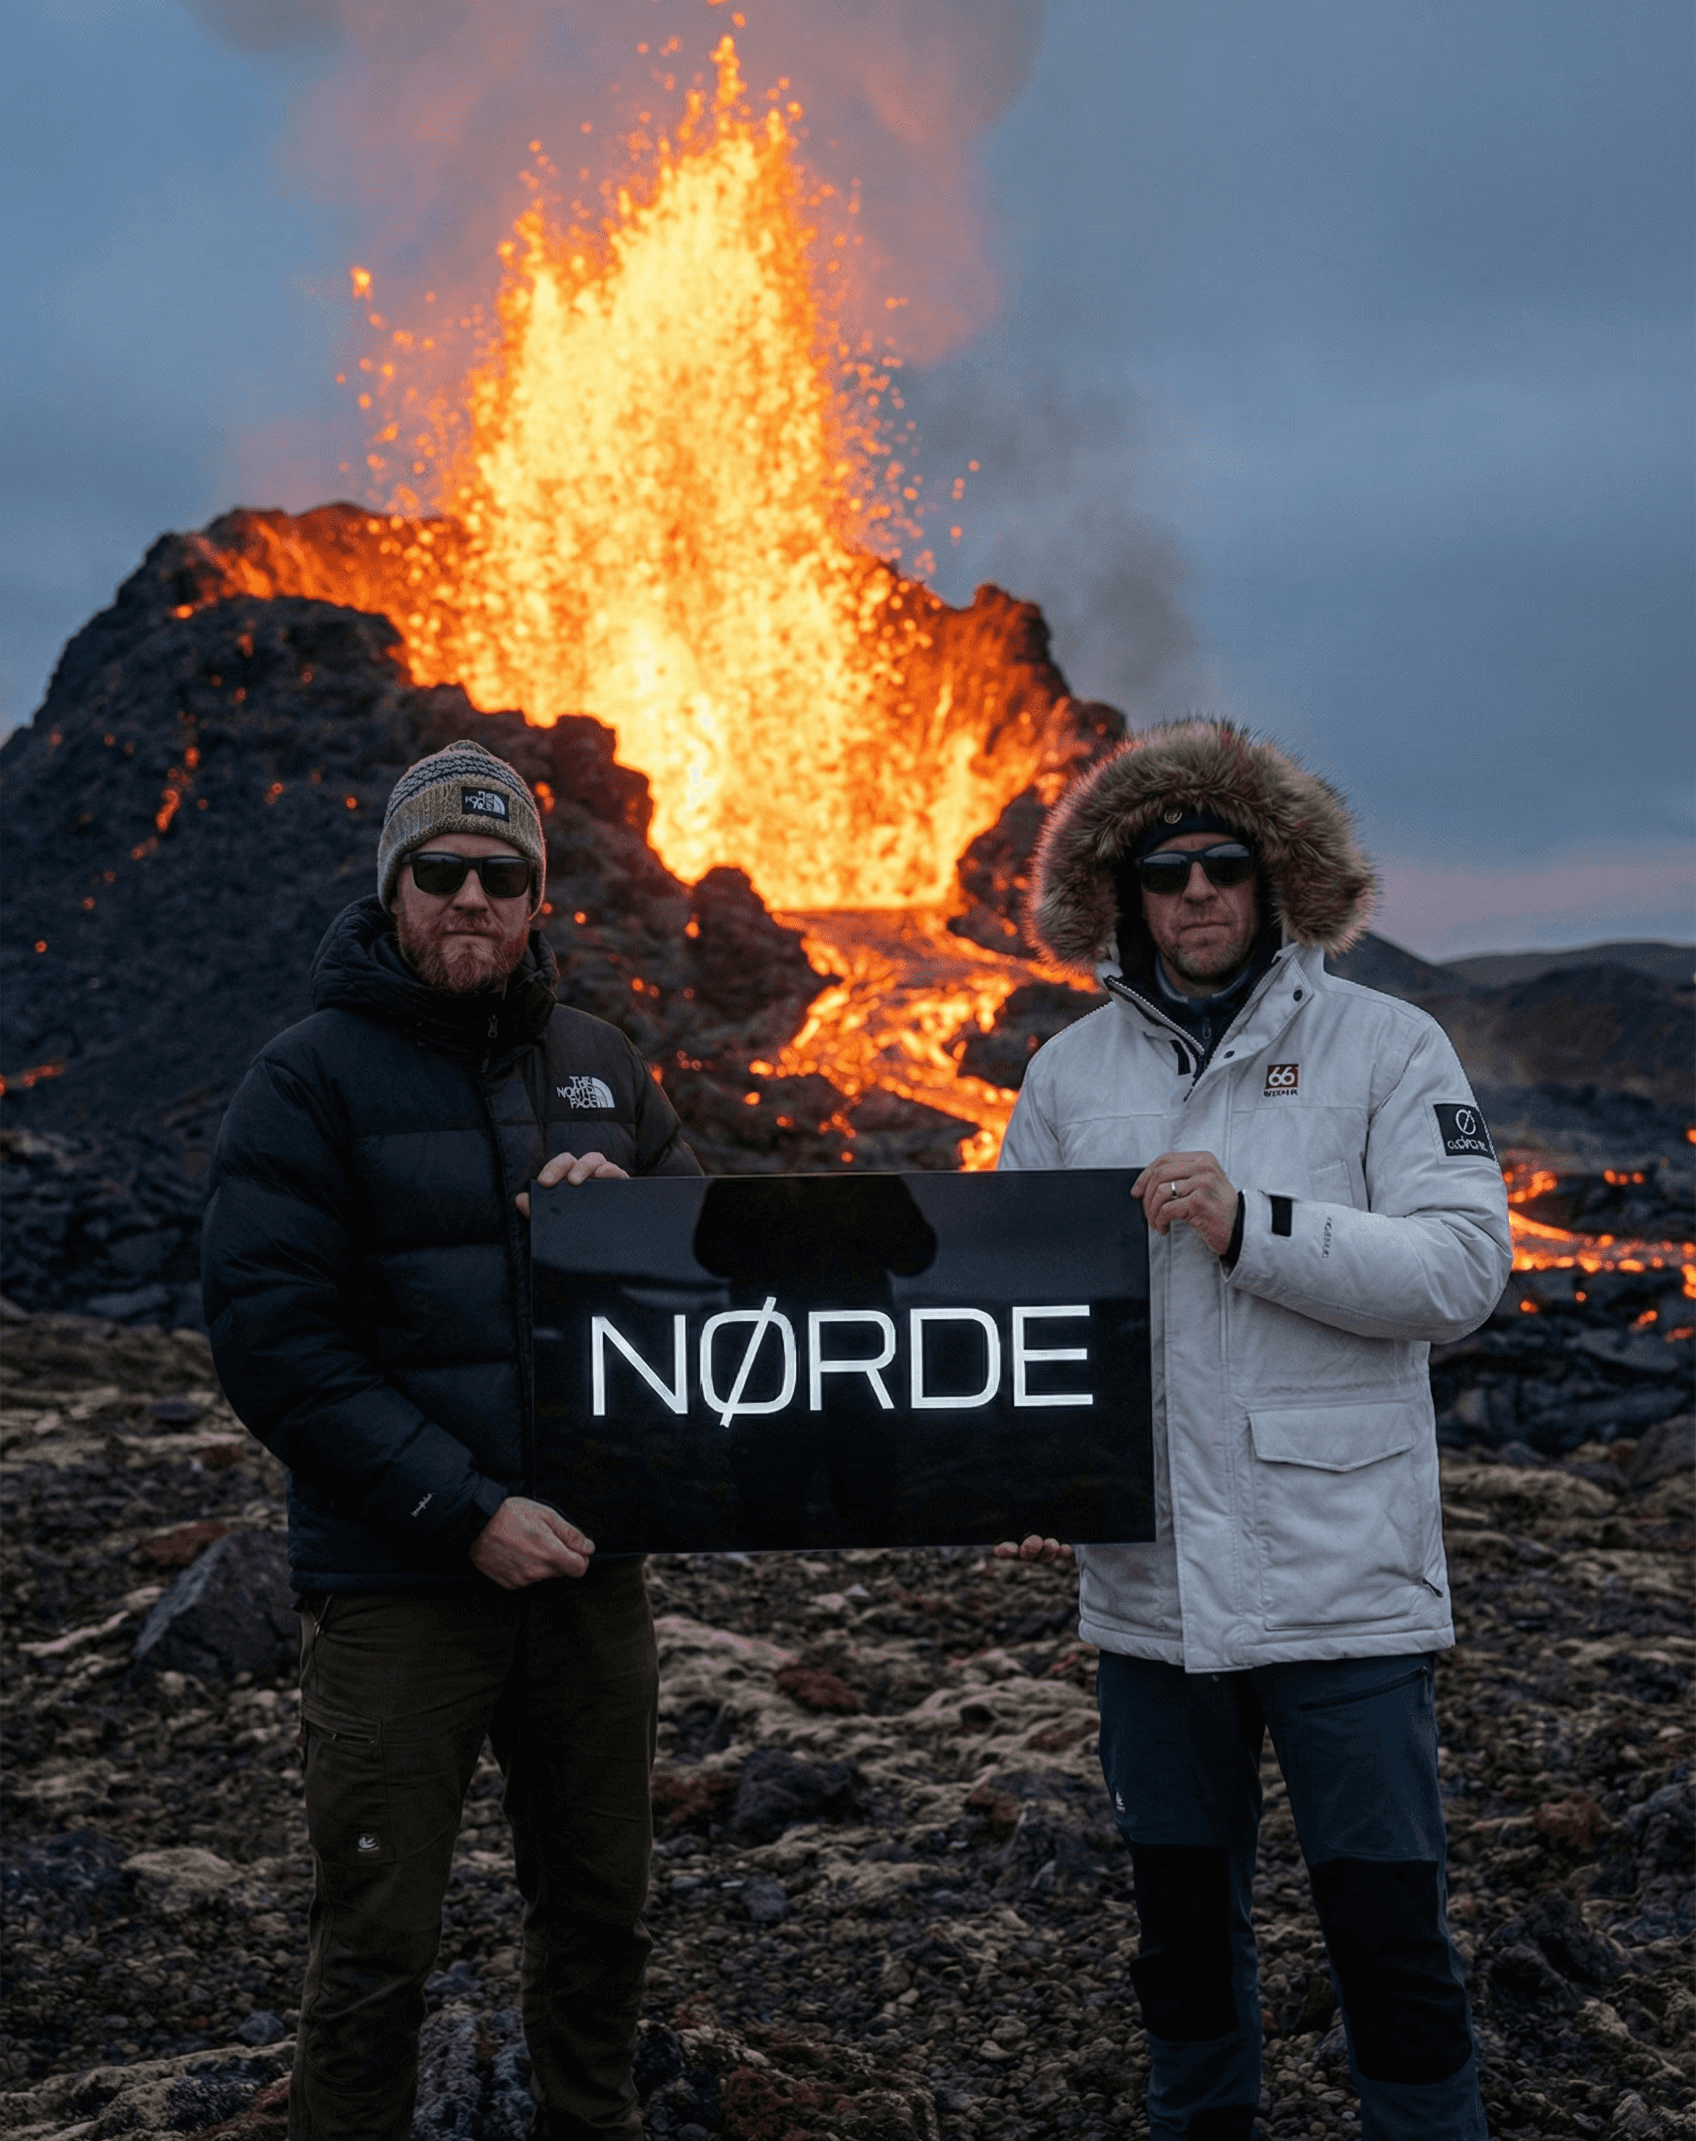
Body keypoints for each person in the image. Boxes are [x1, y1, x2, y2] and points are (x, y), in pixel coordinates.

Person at [995, 718, 1510, 2140]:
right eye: (1167, 872)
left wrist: (1253, 1226)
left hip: (1339, 1587)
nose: (1199, 893)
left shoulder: (1388, 1048)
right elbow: (1012, 1309)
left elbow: (1462, 1273)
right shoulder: (1066, 1077)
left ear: (1278, 881)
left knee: (1391, 1938)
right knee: (1176, 1950)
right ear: (1126, 894)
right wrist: (1022, 1461)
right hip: (1150, 1599)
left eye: (1226, 865)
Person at [202, 737, 701, 2141]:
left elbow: (718, 1295)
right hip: (399, 1586)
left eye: (503, 874)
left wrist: (632, 1227)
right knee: (375, 1943)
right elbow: (275, 1345)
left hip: (590, 1585)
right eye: (442, 872)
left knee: (603, 1916)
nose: (472, 898)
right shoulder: (304, 1081)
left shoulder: (603, 1067)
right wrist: (464, 1509)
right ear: (394, 888)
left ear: (541, 896)